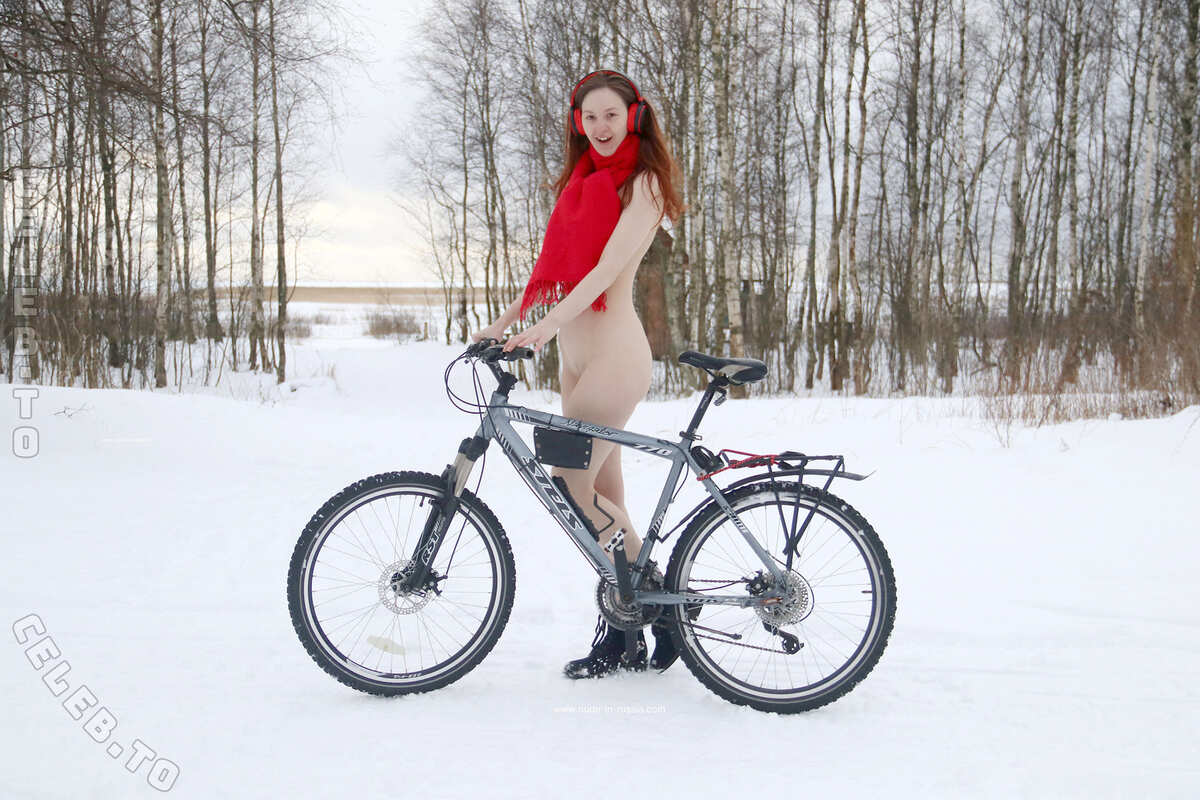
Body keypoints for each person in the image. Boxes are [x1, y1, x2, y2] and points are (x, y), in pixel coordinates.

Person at [470, 69, 684, 679]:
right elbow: (553, 270)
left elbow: (602, 273)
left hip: (616, 356)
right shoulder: (580, 185)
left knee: (570, 486)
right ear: (577, 123)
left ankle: (664, 605)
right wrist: (504, 321)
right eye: (590, 117)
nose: (600, 126)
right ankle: (627, 630)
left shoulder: (643, 185)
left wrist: (542, 327)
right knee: (603, 500)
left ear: (634, 118)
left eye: (611, 115)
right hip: (575, 359)